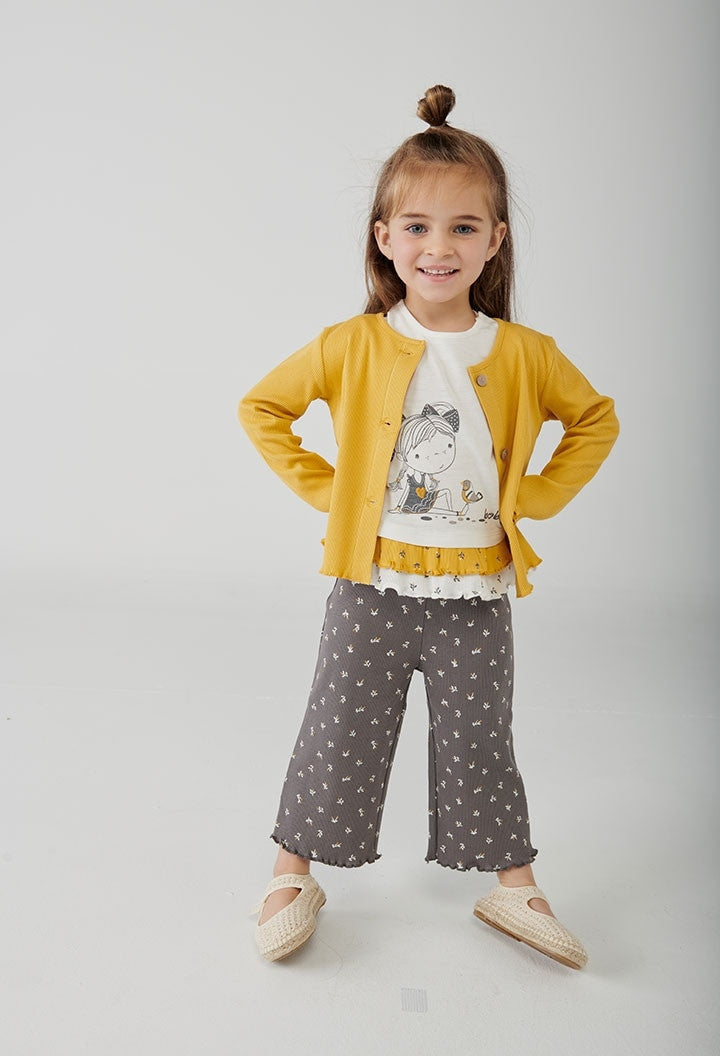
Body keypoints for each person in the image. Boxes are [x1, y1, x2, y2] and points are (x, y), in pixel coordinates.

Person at [239, 85, 618, 969]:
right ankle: (292, 872)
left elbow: (594, 419)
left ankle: (514, 884)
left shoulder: (524, 354)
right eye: (416, 226)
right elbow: (264, 408)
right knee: (339, 724)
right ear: (384, 238)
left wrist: (536, 497)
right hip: (371, 583)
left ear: (495, 240)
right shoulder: (352, 343)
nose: (438, 247)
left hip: (474, 588)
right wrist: (335, 495)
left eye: (462, 227)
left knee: (481, 737)